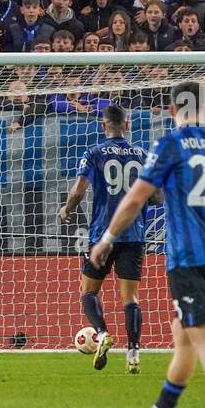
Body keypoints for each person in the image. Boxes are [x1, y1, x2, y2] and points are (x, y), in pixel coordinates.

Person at [88, 82, 205, 408]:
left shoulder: (171, 145)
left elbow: (136, 199)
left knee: (202, 334)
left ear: (171, 110)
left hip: (187, 257)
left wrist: (107, 238)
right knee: (183, 336)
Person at [57, 105, 151, 373]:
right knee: (130, 298)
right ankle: (133, 352)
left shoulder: (94, 153)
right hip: (133, 234)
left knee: (88, 291)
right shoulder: (143, 155)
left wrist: (66, 210)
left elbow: (78, 190)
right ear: (128, 125)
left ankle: (101, 333)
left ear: (103, 126)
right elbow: (157, 197)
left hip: (102, 235)